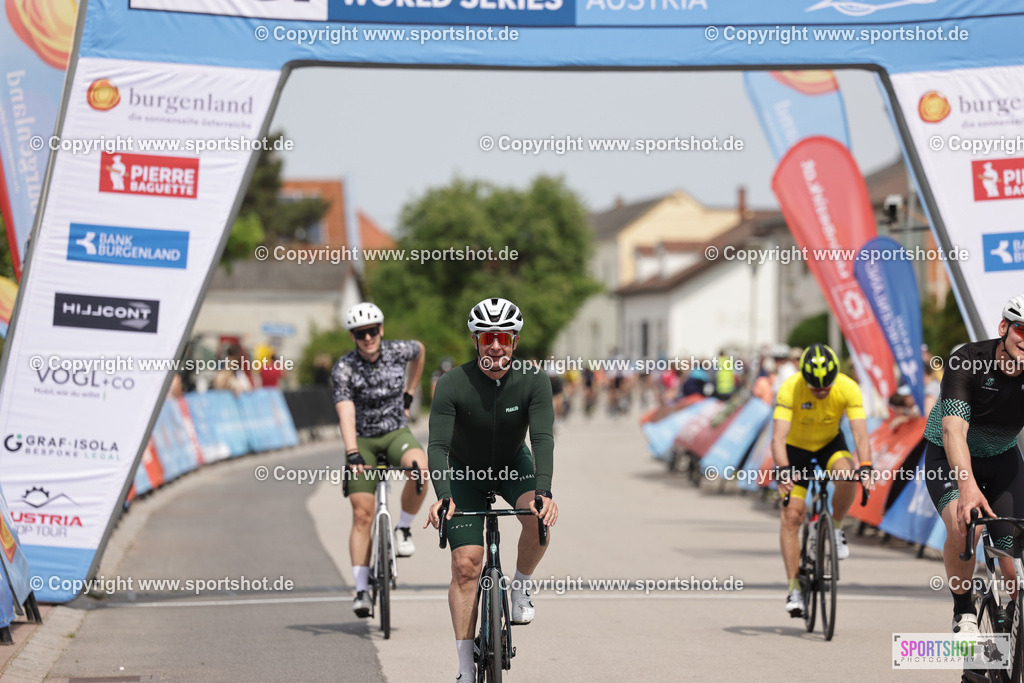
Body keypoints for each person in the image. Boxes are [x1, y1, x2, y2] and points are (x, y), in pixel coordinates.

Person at [423, 297, 557, 683]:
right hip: (464, 472)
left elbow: (543, 437)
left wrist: (544, 491)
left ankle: (520, 589)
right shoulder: (452, 383)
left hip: (513, 465)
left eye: (502, 336)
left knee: (538, 517)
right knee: (466, 566)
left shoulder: (533, 380)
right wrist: (443, 494)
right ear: (475, 340)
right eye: (486, 338)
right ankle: (465, 669)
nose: (494, 345)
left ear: (514, 340)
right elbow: (437, 446)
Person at [922, 295, 1024, 635]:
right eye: (1022, 330)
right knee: (967, 525)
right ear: (1004, 328)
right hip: (949, 458)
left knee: (1013, 569)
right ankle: (963, 608)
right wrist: (967, 486)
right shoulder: (967, 361)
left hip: (1003, 459)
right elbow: (953, 430)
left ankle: (1010, 631)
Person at [332, 302, 428, 618]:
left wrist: (410, 393)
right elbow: (346, 412)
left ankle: (402, 529)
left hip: (395, 431)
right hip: (363, 440)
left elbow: (421, 351)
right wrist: (352, 452)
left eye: (373, 330)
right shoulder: (343, 368)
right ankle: (361, 589)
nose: (368, 337)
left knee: (420, 470)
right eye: (361, 333)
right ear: (353, 336)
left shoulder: (399, 350)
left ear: (381, 330)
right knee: (362, 514)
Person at [772, 343, 874, 618]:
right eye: (815, 388)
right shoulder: (790, 388)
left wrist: (865, 466)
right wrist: (783, 470)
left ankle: (836, 527)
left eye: (825, 387)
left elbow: (861, 434)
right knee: (792, 516)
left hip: (830, 444)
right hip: (795, 450)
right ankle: (794, 587)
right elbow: (778, 437)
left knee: (846, 474)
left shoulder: (849, 387)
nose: (820, 392)